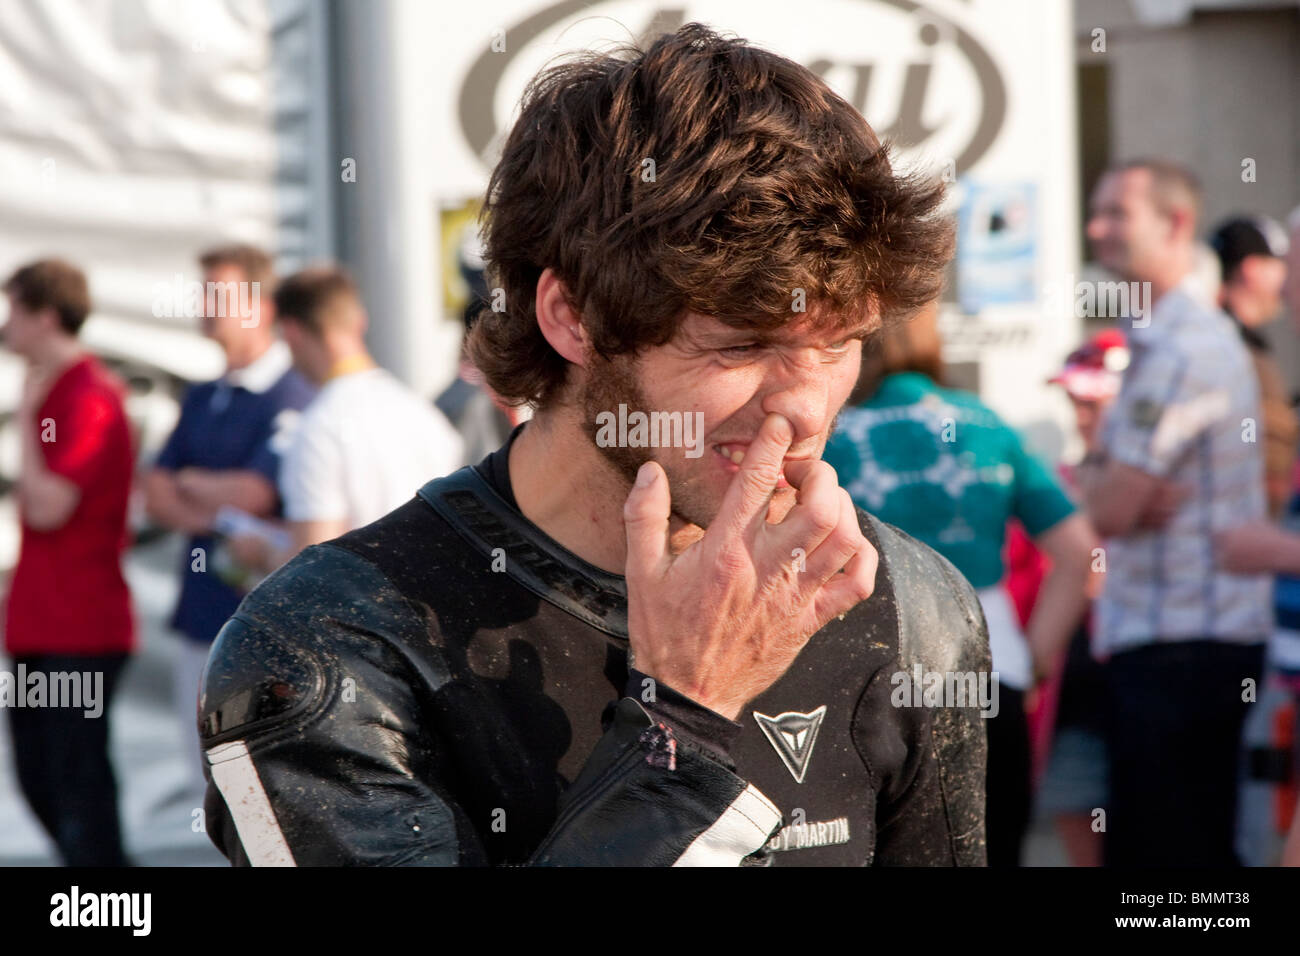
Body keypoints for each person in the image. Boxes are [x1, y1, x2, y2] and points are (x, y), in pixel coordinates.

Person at [197, 23, 990, 867]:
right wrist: (685, 715)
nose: (802, 406)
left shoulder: (909, 607)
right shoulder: (326, 650)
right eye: (741, 345)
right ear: (571, 317)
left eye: (840, 342)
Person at [822, 304, 1095, 867]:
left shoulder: (832, 434)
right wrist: (1036, 659)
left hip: (869, 682)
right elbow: (1079, 555)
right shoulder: (988, 425)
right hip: (993, 671)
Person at [1080, 159, 1270, 866]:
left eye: (1117, 213)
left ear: (1177, 224)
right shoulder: (1167, 334)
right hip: (1183, 644)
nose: (1097, 229)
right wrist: (1108, 476)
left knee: (1170, 872)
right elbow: (1113, 497)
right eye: (1097, 211)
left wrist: (1104, 478)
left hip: (1183, 648)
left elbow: (1108, 512)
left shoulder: (1181, 345)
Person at [143, 245, 314, 799]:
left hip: (259, 621)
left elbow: (259, 491)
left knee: (261, 789)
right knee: (210, 787)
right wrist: (223, 507)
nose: (207, 305)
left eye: (222, 293)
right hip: (199, 615)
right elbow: (154, 495)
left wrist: (192, 484)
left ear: (261, 307)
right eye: (205, 292)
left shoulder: (291, 393)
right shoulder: (201, 396)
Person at [1, 259, 135, 866]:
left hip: (81, 625)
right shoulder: (62, 390)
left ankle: (107, 900)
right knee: (41, 773)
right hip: (43, 621)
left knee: (75, 778)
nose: (7, 328)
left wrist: (27, 420)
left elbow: (52, 505)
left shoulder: (87, 394)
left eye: (14, 312)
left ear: (45, 316)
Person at [229, 266, 464, 570]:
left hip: (365, 612)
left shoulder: (317, 428)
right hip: (432, 605)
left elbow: (312, 564)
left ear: (291, 332)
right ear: (359, 321)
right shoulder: (426, 416)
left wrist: (259, 553)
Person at [1208, 215, 1295, 518]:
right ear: (1252, 270)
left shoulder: (1233, 341)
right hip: (1241, 535)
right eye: (1281, 264)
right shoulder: (1228, 347)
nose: (1286, 281)